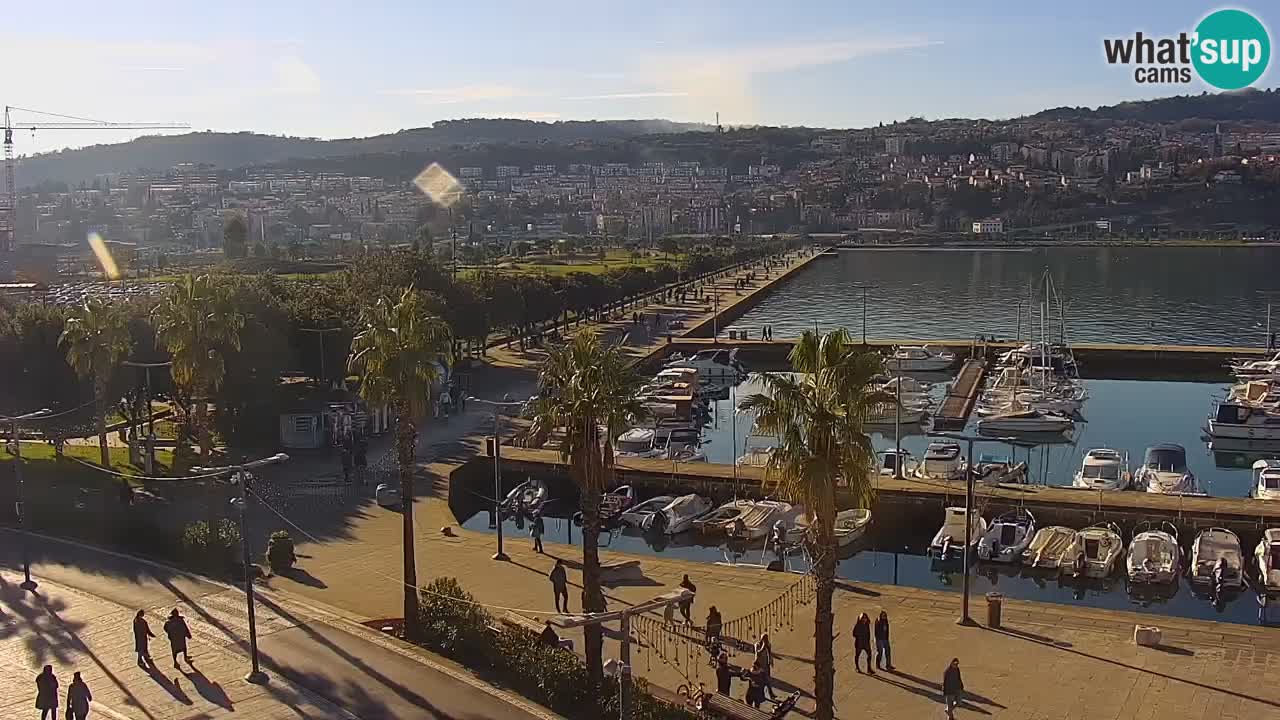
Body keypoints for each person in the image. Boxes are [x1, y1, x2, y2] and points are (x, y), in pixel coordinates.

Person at [755, 633, 777, 700]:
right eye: (764, 639)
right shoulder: (757, 645)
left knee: (767, 680)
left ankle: (770, 694)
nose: (765, 640)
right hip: (759, 666)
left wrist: (771, 661)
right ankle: (765, 694)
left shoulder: (768, 645)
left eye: (766, 639)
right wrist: (763, 646)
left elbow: (770, 654)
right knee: (762, 681)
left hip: (766, 666)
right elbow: (758, 653)